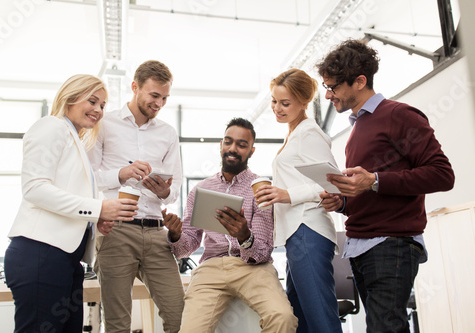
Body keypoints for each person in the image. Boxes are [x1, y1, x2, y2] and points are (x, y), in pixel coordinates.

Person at [316, 39, 455, 332]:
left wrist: (375, 180)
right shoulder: (357, 128)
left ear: (360, 81)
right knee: (382, 326)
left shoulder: (399, 115)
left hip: (390, 243)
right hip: (360, 246)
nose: (328, 95)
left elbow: (442, 174)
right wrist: (342, 202)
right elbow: (369, 191)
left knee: (384, 327)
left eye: (333, 87)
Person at [4, 74, 139, 333]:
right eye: (92, 101)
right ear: (70, 97)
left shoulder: (75, 140)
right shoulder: (51, 126)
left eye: (103, 105)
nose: (99, 110)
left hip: (66, 259)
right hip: (41, 253)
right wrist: (98, 208)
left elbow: (65, 196)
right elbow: (35, 188)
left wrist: (96, 222)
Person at [162, 117, 298, 333]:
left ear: (252, 151)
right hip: (211, 268)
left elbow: (262, 252)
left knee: (283, 318)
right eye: (228, 142)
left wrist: (245, 236)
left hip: (252, 269)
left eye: (242, 145)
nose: (233, 149)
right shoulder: (200, 189)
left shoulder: (260, 188)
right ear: (221, 145)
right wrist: (177, 234)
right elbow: (185, 249)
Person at [88, 60, 184, 333]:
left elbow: (173, 190)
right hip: (116, 229)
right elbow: (89, 176)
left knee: (180, 317)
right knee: (118, 325)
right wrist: (122, 173)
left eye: (165, 97)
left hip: (156, 233)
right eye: (154, 95)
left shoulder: (168, 133)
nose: (160, 103)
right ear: (134, 87)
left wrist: (163, 190)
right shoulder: (104, 123)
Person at [254, 69, 343, 333]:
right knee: (300, 319)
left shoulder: (308, 133)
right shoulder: (294, 133)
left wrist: (285, 194)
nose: (276, 108)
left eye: (285, 103)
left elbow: (331, 182)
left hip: (308, 231)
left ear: (304, 103)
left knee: (320, 319)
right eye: (274, 101)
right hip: (298, 234)